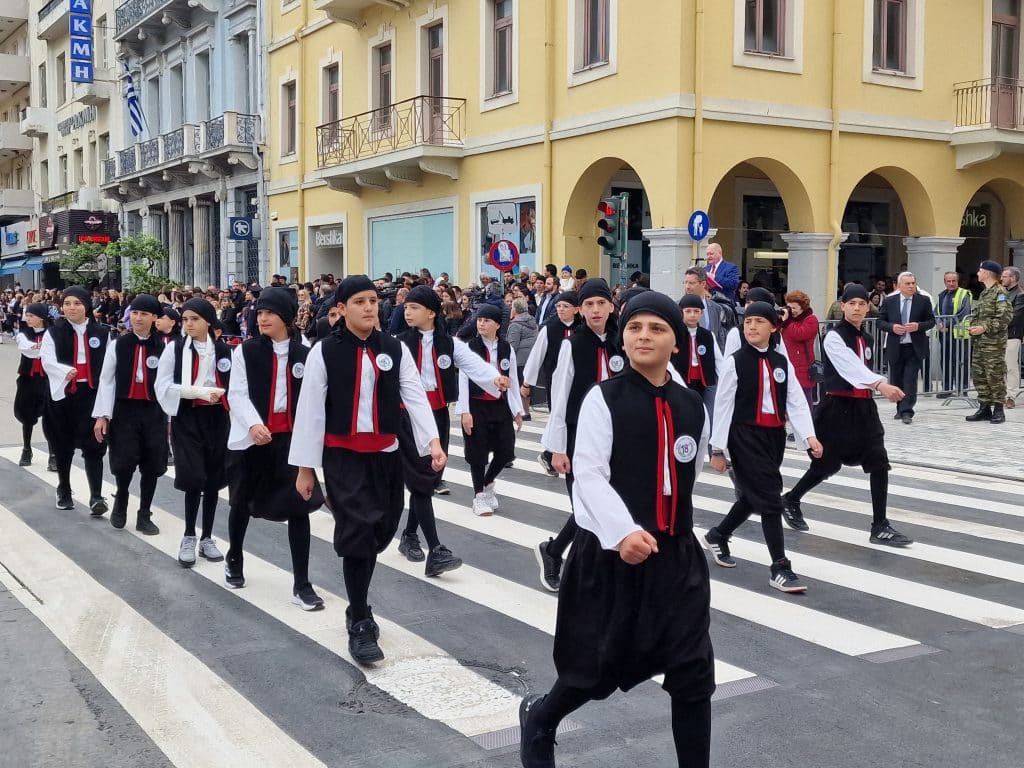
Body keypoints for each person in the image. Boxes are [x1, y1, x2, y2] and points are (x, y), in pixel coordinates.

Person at [518, 291, 714, 768]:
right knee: (595, 669)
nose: (644, 336)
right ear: (624, 338)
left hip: (676, 558)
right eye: (635, 328)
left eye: (657, 329)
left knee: (692, 672)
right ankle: (541, 718)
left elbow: (690, 470)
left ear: (675, 341)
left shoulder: (692, 405)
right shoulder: (603, 398)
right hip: (612, 555)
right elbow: (587, 475)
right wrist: (623, 531)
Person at [290, 275, 445, 664]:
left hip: (386, 453)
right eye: (358, 301)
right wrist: (306, 469)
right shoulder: (324, 351)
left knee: (380, 529)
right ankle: (359, 619)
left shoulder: (393, 348)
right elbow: (309, 412)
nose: (368, 307)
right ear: (341, 308)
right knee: (358, 531)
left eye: (373, 300)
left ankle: (358, 604)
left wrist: (433, 442)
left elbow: (414, 393)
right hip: (342, 456)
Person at [781, 283, 914, 547]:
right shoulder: (834, 336)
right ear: (843, 306)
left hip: (864, 408)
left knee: (878, 462)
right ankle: (791, 499)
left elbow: (861, 368)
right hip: (838, 409)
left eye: (861, 304)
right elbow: (850, 369)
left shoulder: (867, 338)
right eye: (851, 303)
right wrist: (880, 384)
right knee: (827, 464)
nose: (856, 308)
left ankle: (880, 525)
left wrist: (875, 386)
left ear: (868, 307)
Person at [703, 302, 821, 593]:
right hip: (743, 435)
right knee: (769, 497)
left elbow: (794, 399)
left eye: (759, 321)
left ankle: (719, 535)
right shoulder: (735, 361)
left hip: (773, 437)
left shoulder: (782, 362)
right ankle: (780, 566)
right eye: (748, 321)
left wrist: (808, 436)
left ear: (773, 327)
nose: (752, 326)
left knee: (755, 495)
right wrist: (717, 449)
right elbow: (723, 405)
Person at [223, 287, 326, 609]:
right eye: (260, 312)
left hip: (290, 443)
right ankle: (235, 555)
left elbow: (313, 399)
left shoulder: (305, 352)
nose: (262, 318)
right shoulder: (246, 351)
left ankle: (302, 583)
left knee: (300, 507)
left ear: (286, 316)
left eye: (269, 312)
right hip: (254, 440)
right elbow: (236, 393)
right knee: (241, 502)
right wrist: (254, 424)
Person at [396, 286, 509, 572]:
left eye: (414, 307)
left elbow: (474, 365)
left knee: (431, 477)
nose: (407, 312)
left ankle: (409, 535)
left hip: (438, 414)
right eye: (406, 307)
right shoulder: (397, 343)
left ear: (431, 313)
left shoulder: (448, 343)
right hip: (408, 417)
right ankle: (435, 548)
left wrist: (495, 378)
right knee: (422, 478)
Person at [537, 278, 622, 591]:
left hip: (616, 435)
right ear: (580, 309)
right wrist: (558, 448)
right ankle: (559, 554)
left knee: (609, 501)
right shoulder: (572, 344)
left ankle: (557, 552)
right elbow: (560, 396)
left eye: (601, 303)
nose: (596, 310)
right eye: (589, 304)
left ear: (611, 306)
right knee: (585, 505)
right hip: (578, 435)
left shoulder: (621, 340)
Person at [155, 297, 231, 568]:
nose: (188, 324)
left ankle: (207, 536)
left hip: (216, 419)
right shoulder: (175, 350)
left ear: (208, 321)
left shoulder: (223, 351)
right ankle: (188, 534)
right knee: (193, 476)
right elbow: (162, 386)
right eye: (185, 319)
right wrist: (198, 392)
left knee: (212, 479)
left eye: (195, 319)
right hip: (187, 418)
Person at [91, 295, 167, 535]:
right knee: (123, 461)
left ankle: (145, 512)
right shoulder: (119, 344)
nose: (138, 318)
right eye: (134, 313)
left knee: (152, 462)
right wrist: (103, 415)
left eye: (144, 314)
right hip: (124, 409)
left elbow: (170, 383)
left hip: (153, 410)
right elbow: (106, 380)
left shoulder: (165, 346)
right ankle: (121, 498)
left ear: (155, 318)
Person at [40, 287, 110, 514]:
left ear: (86, 305)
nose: (72, 307)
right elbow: (47, 361)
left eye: (77, 303)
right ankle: (64, 488)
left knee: (95, 443)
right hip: (64, 394)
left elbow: (109, 368)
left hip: (91, 394)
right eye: (67, 303)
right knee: (62, 444)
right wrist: (64, 371)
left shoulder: (101, 332)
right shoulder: (54, 332)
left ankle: (97, 496)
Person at [457, 303, 526, 516]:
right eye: (479, 320)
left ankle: (487, 484)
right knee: (477, 453)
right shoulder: (470, 347)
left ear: (497, 324)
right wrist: (465, 412)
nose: (481, 324)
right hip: (477, 404)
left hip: (500, 405)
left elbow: (513, 379)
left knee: (506, 451)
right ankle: (479, 495)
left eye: (486, 320)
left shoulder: (506, 348)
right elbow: (463, 380)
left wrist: (517, 410)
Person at [521, 292, 581, 470]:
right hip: (555, 379)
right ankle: (550, 453)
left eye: (565, 306)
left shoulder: (582, 326)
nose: (561, 310)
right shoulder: (549, 328)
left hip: (579, 379)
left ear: (576, 310)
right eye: (558, 306)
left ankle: (556, 453)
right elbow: (536, 356)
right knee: (557, 414)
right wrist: (527, 383)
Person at [876, 272, 935, 424]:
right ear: (899, 285)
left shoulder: (923, 300)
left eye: (913, 283)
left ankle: (907, 411)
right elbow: (880, 321)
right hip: (896, 346)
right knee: (897, 379)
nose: (911, 286)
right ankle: (899, 408)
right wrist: (892, 327)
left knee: (910, 379)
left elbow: (931, 321)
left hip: (914, 346)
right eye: (907, 284)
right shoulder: (890, 301)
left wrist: (918, 326)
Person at [965, 260, 1013, 424]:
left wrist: (984, 328)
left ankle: (999, 409)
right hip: (980, 343)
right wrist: (973, 327)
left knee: (994, 374)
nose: (978, 273)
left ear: (987, 273)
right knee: (979, 374)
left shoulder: (1000, 293)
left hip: (994, 343)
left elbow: (1004, 317)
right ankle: (984, 407)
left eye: (980, 270)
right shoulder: (985, 293)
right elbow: (980, 316)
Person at [674, 294, 723, 429]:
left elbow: (719, 361)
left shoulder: (708, 335)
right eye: (688, 311)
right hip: (682, 380)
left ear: (702, 313)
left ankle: (708, 444)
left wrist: (725, 380)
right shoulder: (675, 334)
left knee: (707, 414)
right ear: (681, 312)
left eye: (696, 311)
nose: (692, 315)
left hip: (705, 380)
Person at [13, 303, 52, 467]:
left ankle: (54, 454)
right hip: (28, 380)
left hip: (47, 379)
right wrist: (37, 347)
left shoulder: (52, 333)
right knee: (27, 416)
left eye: (31, 316)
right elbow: (26, 348)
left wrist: (41, 348)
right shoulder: (24, 333)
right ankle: (27, 449)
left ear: (41, 317)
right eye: (27, 315)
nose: (27, 318)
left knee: (51, 417)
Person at [779, 290, 819, 407]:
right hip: (787, 364)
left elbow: (800, 334)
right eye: (789, 307)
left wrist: (786, 322)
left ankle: (807, 423)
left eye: (794, 308)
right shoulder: (788, 320)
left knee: (804, 401)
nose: (791, 311)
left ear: (803, 307)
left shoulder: (811, 319)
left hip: (804, 367)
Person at [935, 271, 972, 395]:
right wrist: (939, 324)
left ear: (958, 281)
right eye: (948, 281)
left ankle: (963, 388)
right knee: (945, 361)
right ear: (944, 282)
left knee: (961, 361)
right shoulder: (941, 295)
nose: (951, 283)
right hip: (944, 334)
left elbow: (963, 313)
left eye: (953, 281)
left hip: (959, 334)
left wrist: (945, 324)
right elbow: (936, 312)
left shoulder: (964, 294)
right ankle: (947, 388)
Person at [682, 267, 734, 351]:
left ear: (703, 284)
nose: (687, 286)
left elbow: (719, 338)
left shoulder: (716, 308)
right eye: (685, 282)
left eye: (691, 283)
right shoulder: (677, 306)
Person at [507, 298, 539, 419]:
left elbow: (512, 345)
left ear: (515, 310)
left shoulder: (516, 324)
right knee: (527, 384)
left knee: (518, 384)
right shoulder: (532, 321)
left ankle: (519, 411)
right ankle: (526, 411)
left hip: (519, 359)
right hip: (531, 358)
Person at [1000, 266, 1024, 407]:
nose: (1001, 278)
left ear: (1013, 278)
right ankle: (1002, 394)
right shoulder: (1002, 292)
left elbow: (1015, 316)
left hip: (1012, 335)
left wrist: (997, 323)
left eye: (1005, 276)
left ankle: (1011, 396)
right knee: (1001, 366)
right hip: (1000, 335)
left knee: (1011, 366)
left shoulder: (1020, 295)